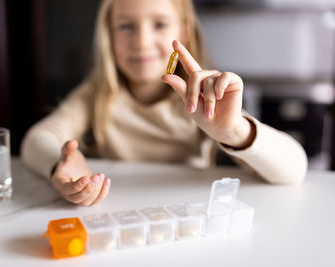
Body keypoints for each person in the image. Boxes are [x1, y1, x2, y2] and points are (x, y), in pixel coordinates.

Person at [21, 0, 307, 206]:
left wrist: (233, 132)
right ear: (109, 34)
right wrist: (61, 165)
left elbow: (294, 169)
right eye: (126, 26)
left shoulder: (204, 97)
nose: (142, 42)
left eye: (159, 24)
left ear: (183, 32)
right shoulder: (95, 95)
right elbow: (36, 139)